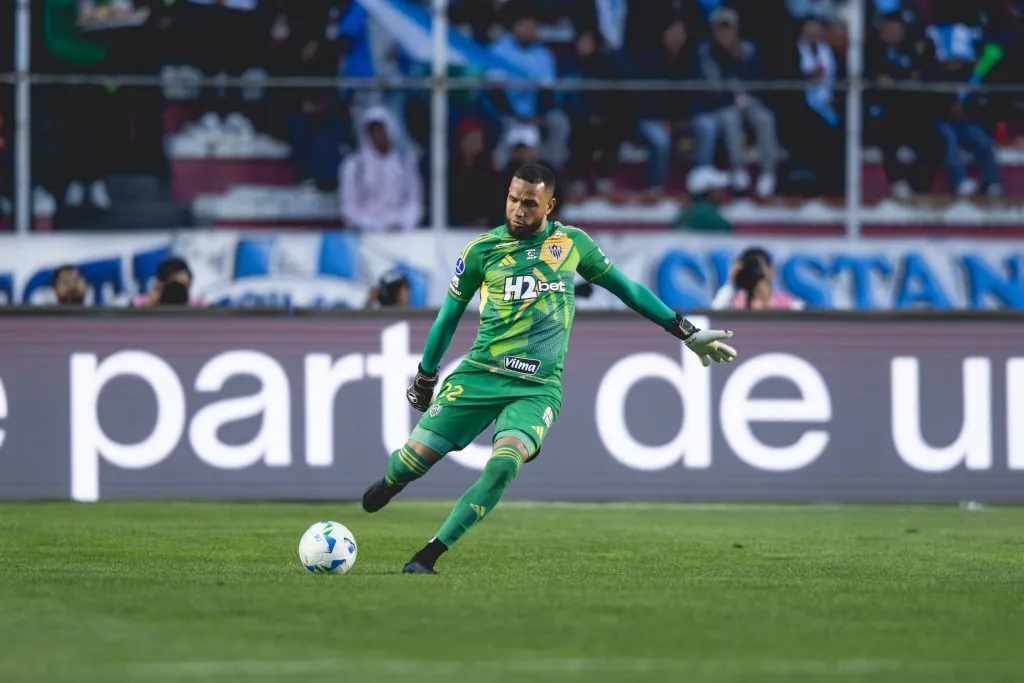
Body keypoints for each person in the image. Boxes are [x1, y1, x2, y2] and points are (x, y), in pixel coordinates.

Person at [359, 164, 739, 574]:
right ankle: (393, 481)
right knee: (410, 463)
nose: (518, 210)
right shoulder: (481, 252)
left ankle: (429, 554)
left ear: (549, 205)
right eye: (513, 199)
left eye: (529, 203)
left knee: (504, 463)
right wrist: (425, 375)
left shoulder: (572, 244)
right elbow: (448, 317)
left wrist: (684, 330)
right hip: (480, 374)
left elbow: (628, 290)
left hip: (537, 388)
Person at [711, 247, 804, 310]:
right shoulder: (731, 300)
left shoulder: (790, 304)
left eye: (758, 266)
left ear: (770, 271)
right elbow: (715, 313)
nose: (754, 271)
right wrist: (731, 281)